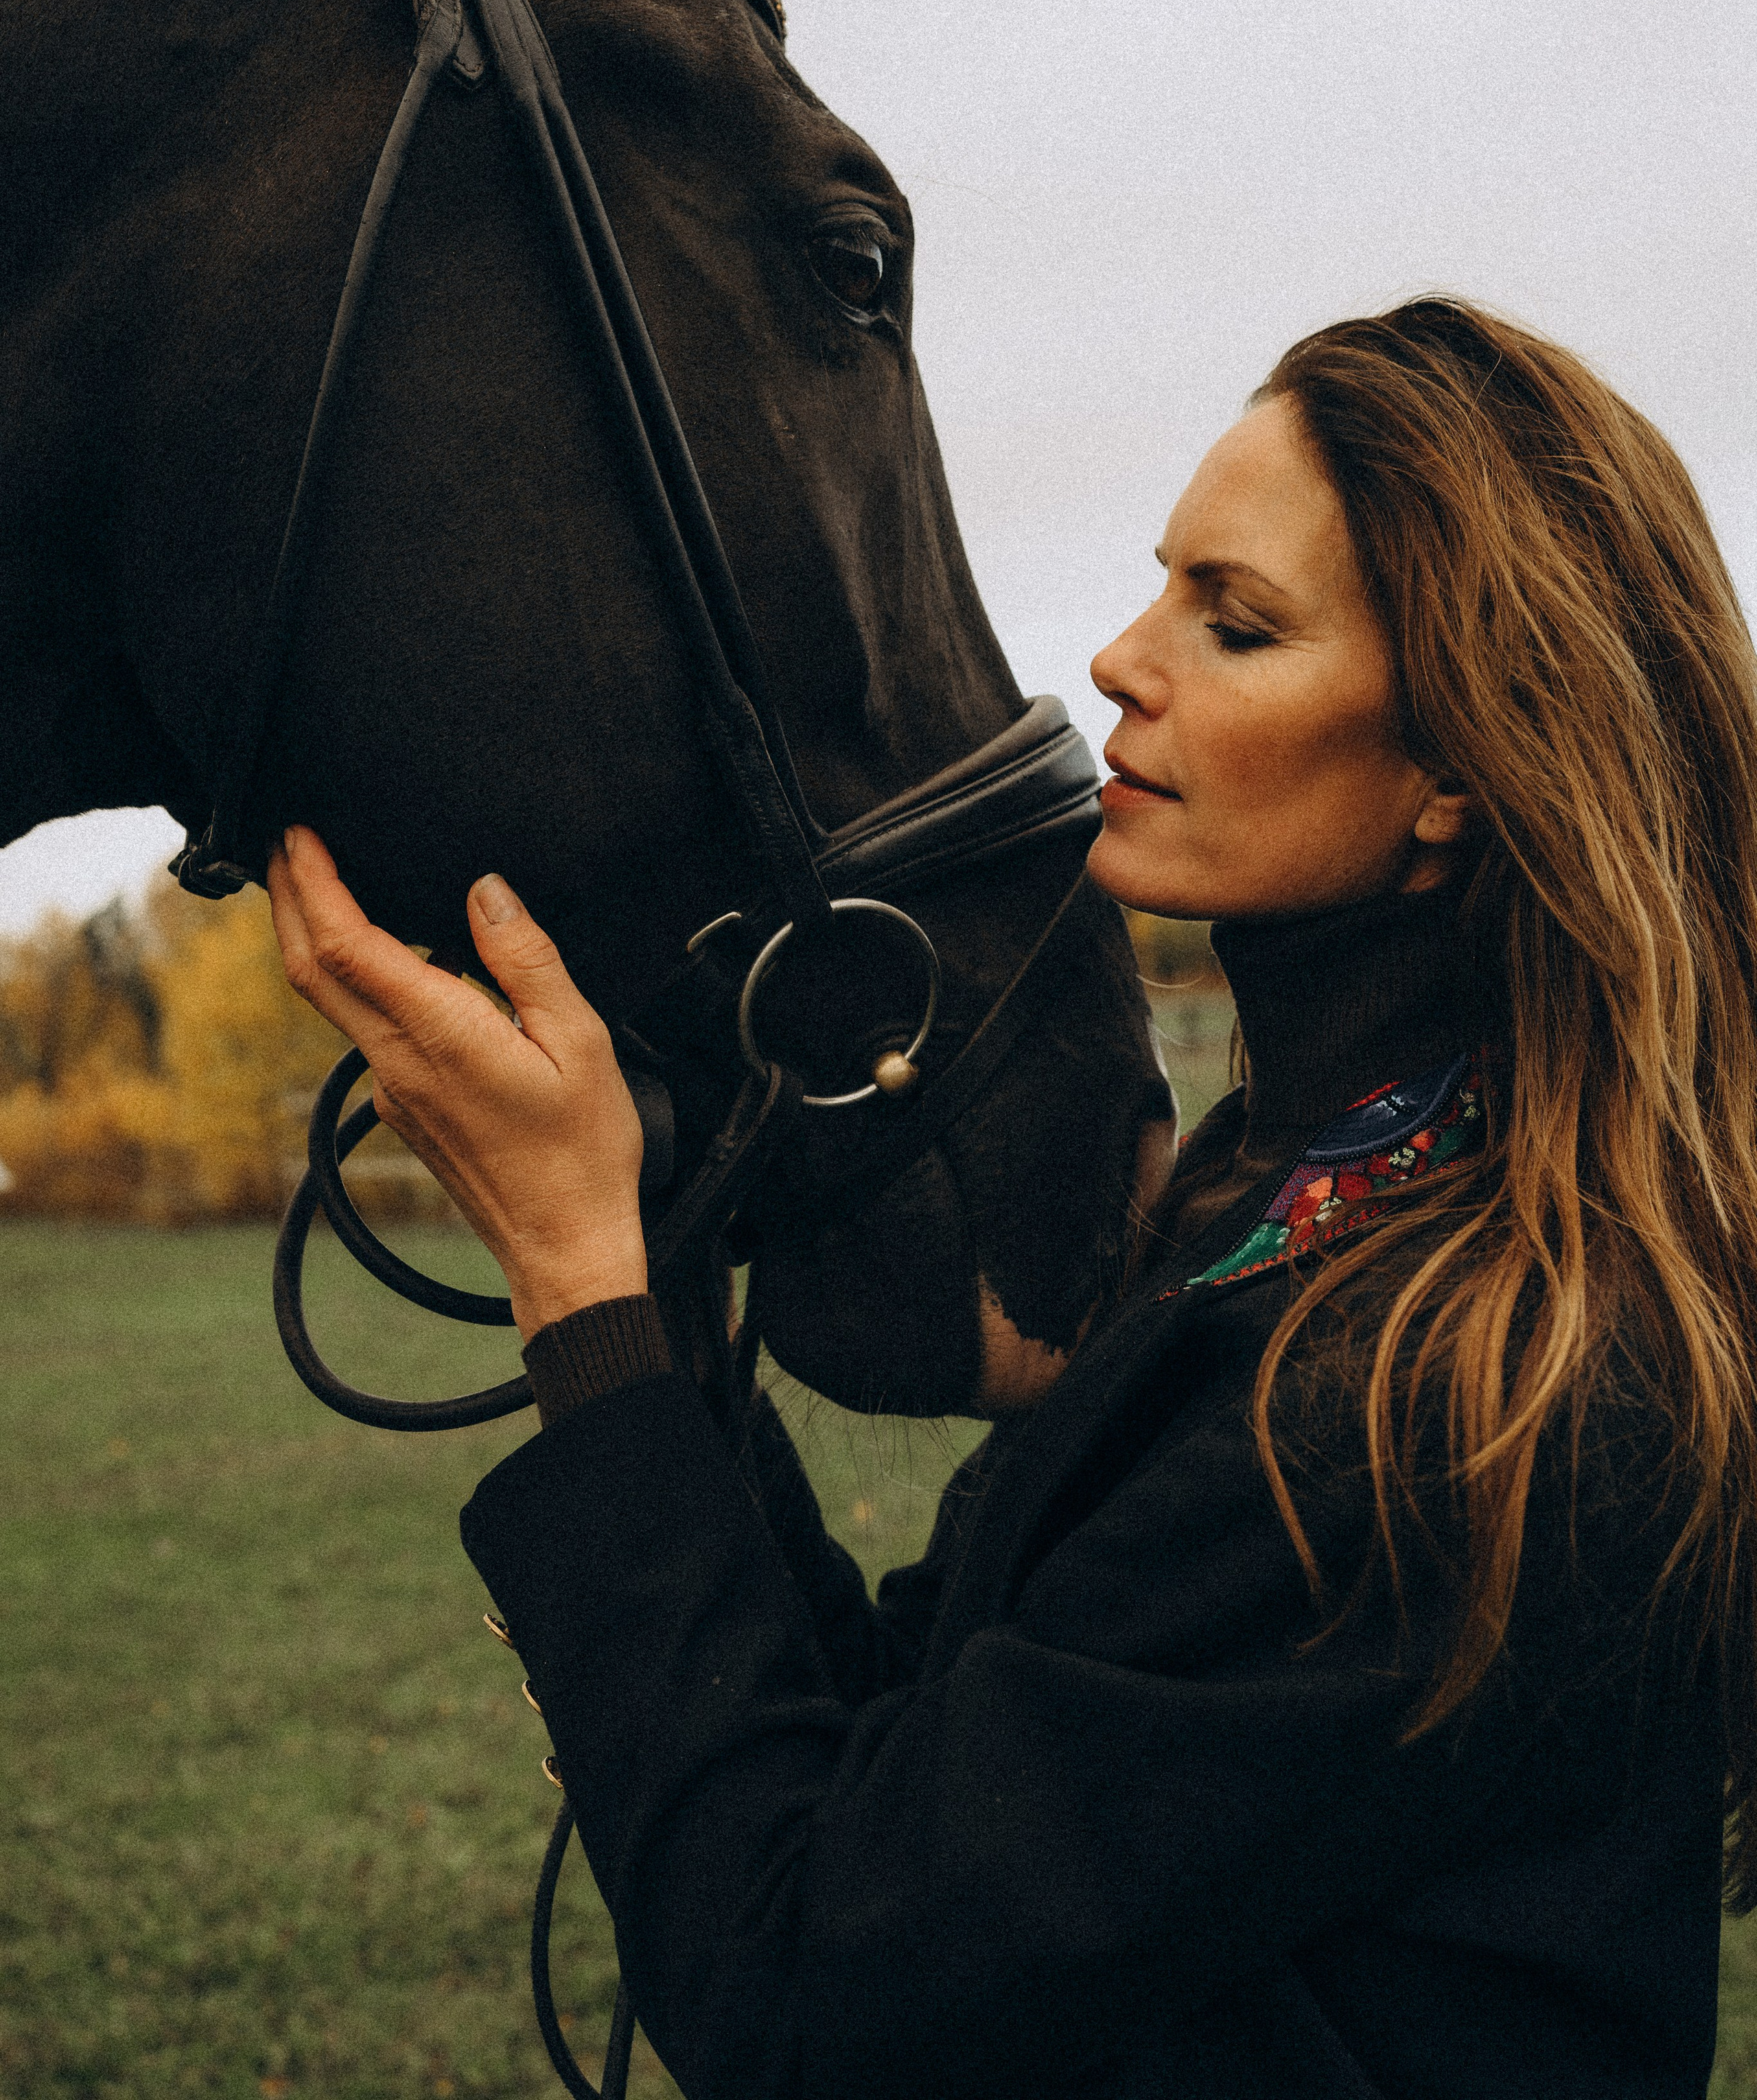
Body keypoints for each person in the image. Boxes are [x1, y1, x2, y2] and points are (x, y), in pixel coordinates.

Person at [269, 296, 1757, 2099]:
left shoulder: (1441, 1386)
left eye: (1238, 622)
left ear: (1460, 763)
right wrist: (642, 1272)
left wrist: (582, 1282)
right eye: (1162, 588)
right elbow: (901, 1769)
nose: (1124, 661)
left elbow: (809, 1983)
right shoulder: (1306, 1216)